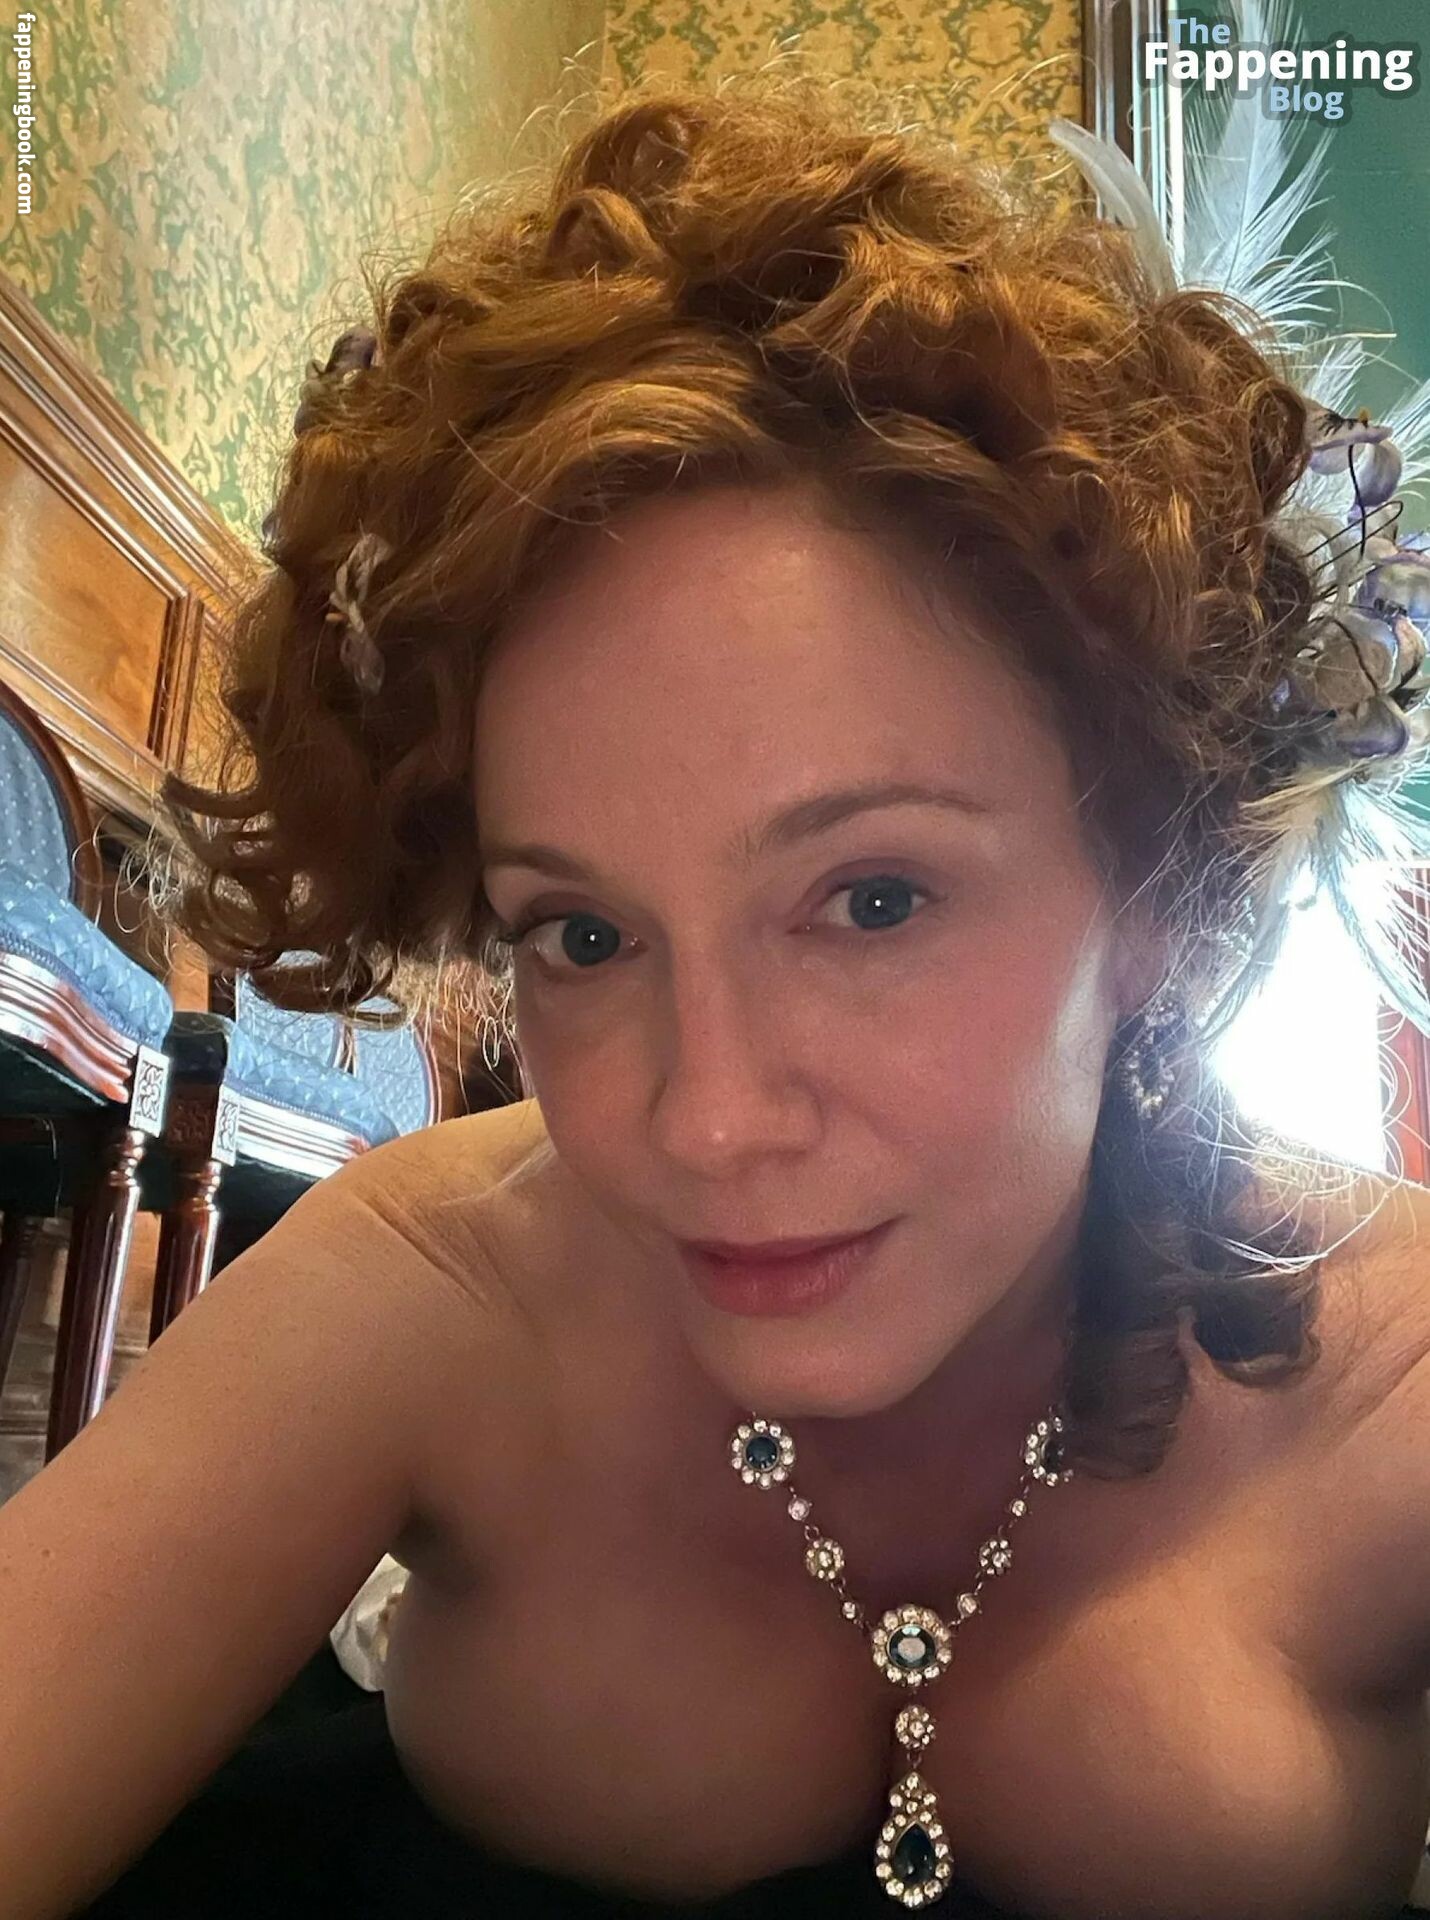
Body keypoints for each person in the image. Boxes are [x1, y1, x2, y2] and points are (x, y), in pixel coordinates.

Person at [3, 74, 1429, 1920]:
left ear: (1165, 899)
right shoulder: (431, 1288)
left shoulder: (1391, 1384)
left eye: (873, 900)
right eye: (583, 937)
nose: (706, 1118)